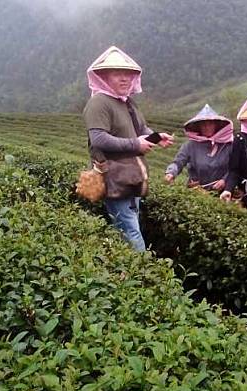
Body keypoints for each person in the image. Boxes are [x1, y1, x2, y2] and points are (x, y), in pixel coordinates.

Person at [82, 46, 174, 251]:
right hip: (114, 175)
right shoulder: (99, 103)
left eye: (128, 75)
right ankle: (141, 273)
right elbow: (98, 139)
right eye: (117, 74)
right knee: (129, 228)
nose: (124, 79)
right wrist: (136, 144)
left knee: (130, 222)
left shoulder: (127, 102)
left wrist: (157, 137)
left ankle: (126, 266)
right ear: (104, 77)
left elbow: (139, 129)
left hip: (132, 173)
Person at [164, 104, 233, 191]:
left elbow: (235, 167)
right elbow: (178, 162)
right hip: (197, 191)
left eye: (210, 124)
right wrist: (171, 173)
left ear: (216, 125)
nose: (207, 127)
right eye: (203, 125)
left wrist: (224, 180)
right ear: (198, 127)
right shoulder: (190, 145)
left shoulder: (228, 144)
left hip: (223, 192)